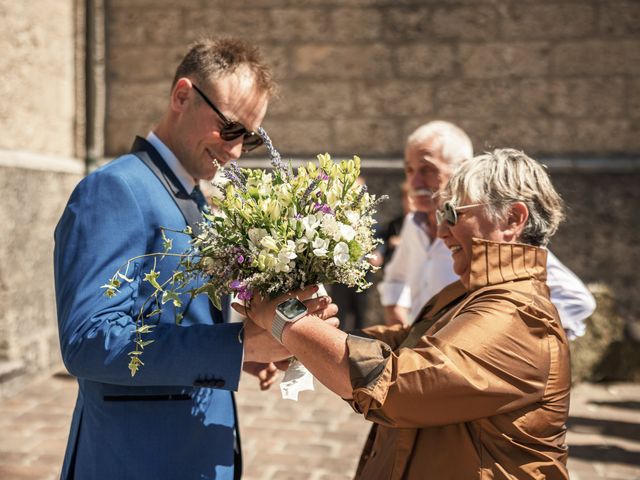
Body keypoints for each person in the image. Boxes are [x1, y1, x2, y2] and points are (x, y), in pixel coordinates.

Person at [53, 37, 335, 480]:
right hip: (134, 460)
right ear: (182, 96)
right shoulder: (115, 189)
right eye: (231, 129)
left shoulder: (194, 197)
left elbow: (181, 315)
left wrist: (255, 348)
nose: (237, 150)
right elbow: (88, 340)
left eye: (252, 138)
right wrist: (236, 347)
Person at [240, 148, 572, 479]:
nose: (442, 231)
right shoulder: (470, 293)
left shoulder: (520, 315)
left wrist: (285, 318)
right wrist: (303, 346)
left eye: (453, 214)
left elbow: (397, 386)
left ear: (513, 219)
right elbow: (402, 342)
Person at [378, 121, 596, 338]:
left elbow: (577, 300)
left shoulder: (492, 234)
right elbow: (396, 278)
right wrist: (399, 327)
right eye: (409, 170)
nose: (414, 181)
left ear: (461, 167)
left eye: (427, 169)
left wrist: (499, 337)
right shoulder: (412, 224)